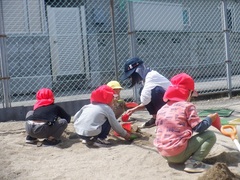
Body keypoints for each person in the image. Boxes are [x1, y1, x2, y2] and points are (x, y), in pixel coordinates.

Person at [153, 73, 217, 173]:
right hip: (177, 154)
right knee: (210, 135)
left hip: (163, 153)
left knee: (180, 135)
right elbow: (199, 127)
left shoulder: (162, 109)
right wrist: (209, 119)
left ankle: (177, 155)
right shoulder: (187, 106)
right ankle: (194, 163)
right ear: (189, 92)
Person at [120, 57, 171, 128]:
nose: (131, 78)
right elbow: (146, 100)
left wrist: (136, 107)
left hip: (172, 105)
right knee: (144, 91)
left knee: (155, 91)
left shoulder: (151, 77)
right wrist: (134, 109)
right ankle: (155, 118)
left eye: (131, 75)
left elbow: (145, 100)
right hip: (167, 102)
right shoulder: (146, 78)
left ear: (137, 71)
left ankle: (164, 118)